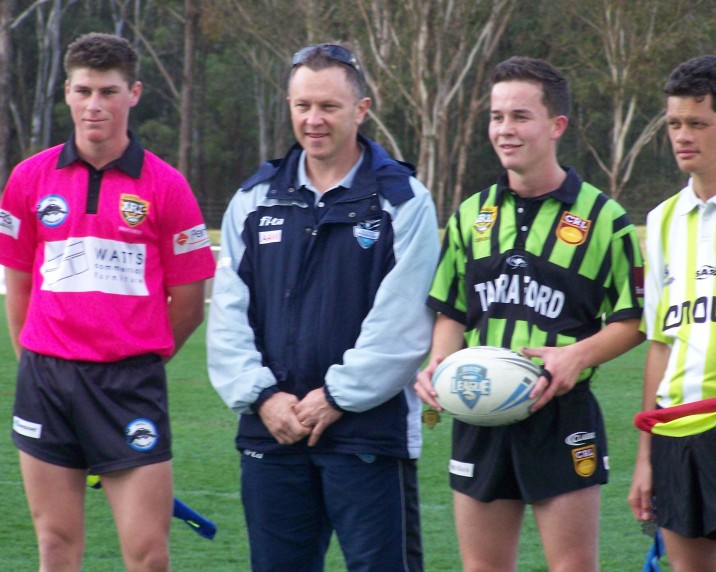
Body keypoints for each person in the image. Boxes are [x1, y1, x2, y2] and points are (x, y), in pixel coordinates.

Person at [206, 43, 439, 571]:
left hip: (367, 435)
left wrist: (336, 396)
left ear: (361, 110)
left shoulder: (403, 201)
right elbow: (228, 315)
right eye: (302, 105)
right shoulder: (255, 199)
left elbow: (404, 321)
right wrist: (263, 397)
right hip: (273, 432)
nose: (313, 120)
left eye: (329, 107)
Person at [414, 56, 645, 571]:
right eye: (497, 117)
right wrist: (437, 364)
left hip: (561, 414)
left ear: (556, 125)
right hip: (478, 407)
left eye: (520, 116)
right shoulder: (471, 215)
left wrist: (575, 357)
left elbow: (633, 320)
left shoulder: (605, 218)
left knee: (572, 567)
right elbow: (451, 308)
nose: (505, 129)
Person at [0, 32, 215, 571]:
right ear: (68, 94)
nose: (95, 105)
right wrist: (39, 362)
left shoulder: (167, 187)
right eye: (84, 90)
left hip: (128, 384)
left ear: (134, 93)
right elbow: (19, 285)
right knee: (55, 548)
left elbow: (189, 301)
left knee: (147, 556)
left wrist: (140, 355)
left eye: (109, 91)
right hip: (47, 382)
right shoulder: (29, 178)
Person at [628, 55, 716, 572]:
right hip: (675, 435)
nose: (682, 136)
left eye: (697, 123)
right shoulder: (662, 220)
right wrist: (645, 457)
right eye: (674, 124)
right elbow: (660, 343)